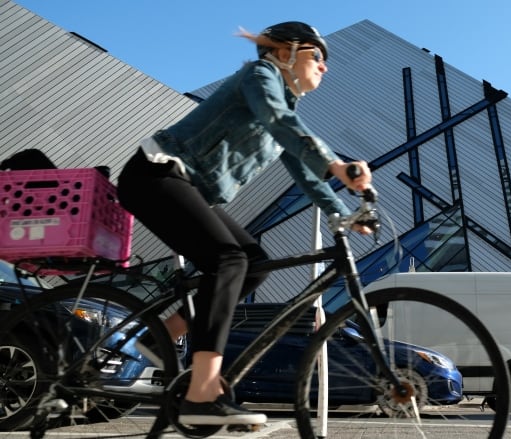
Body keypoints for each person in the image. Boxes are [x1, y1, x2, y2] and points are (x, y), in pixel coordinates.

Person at [117, 21, 372, 426]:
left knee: (253, 264)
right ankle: (200, 396)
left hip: (188, 186)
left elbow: (304, 174)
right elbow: (276, 120)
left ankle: (163, 334)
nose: (324, 67)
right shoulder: (260, 77)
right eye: (318, 56)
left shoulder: (286, 107)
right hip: (156, 173)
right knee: (229, 259)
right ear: (286, 52)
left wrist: (342, 211)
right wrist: (337, 164)